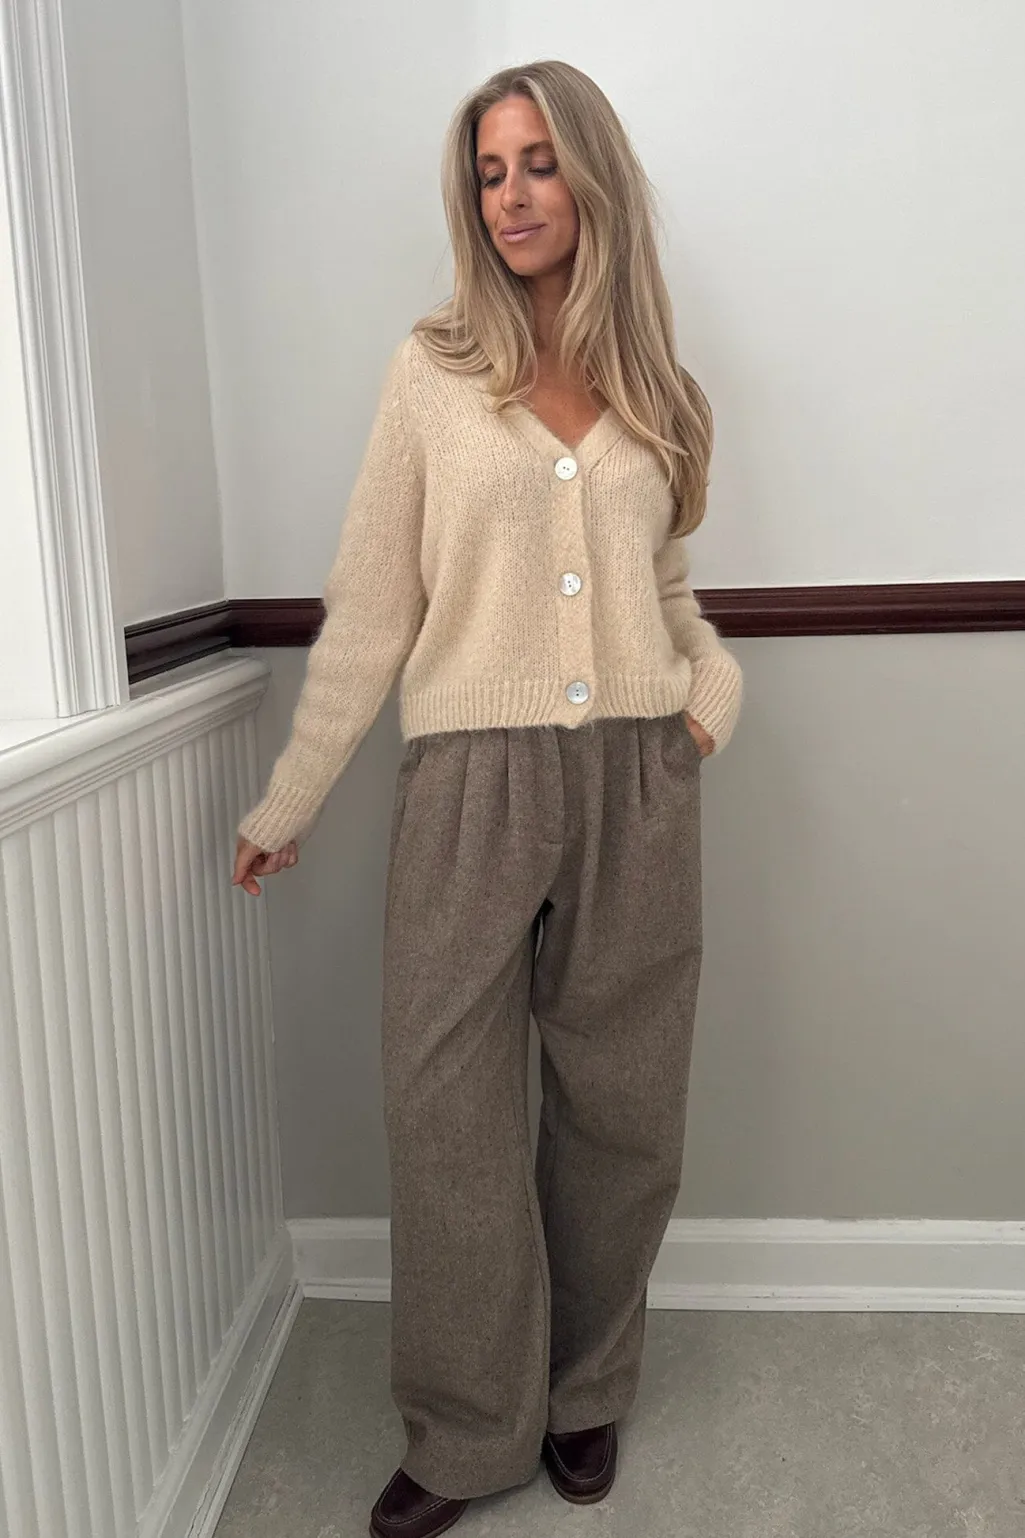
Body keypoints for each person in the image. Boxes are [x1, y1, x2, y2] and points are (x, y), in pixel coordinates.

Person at [233, 58, 743, 1538]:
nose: (511, 195)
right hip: (470, 780)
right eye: (488, 171)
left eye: (536, 163)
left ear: (592, 175)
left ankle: (587, 1390)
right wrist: (293, 793)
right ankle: (468, 1427)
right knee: (444, 1109)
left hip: (638, 779)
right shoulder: (433, 370)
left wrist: (705, 702)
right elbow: (373, 604)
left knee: (622, 1109)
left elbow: (668, 594)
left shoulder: (664, 393)